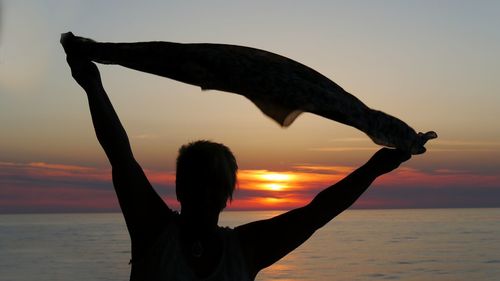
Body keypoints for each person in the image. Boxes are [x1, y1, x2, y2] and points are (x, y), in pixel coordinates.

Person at [61, 33, 412, 281]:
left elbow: (317, 213)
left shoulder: (243, 250)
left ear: (227, 194)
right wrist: (92, 85)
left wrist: (374, 168)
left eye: (213, 185)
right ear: (180, 188)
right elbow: (121, 156)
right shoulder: (154, 232)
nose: (204, 193)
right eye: (197, 183)